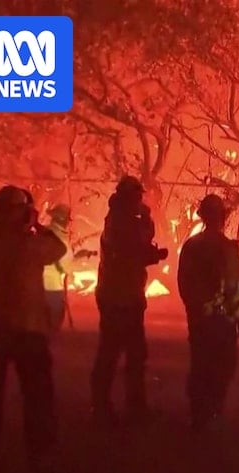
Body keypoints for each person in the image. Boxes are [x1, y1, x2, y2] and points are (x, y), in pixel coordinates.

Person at [0, 186, 67, 473]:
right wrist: (35, 225)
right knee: (38, 398)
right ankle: (40, 457)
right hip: (26, 330)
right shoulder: (27, 244)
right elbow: (57, 248)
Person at [90, 176, 168, 426]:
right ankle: (115, 406)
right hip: (120, 296)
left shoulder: (119, 218)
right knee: (119, 352)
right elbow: (135, 250)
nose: (140, 200)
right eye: (137, 196)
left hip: (122, 293)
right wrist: (152, 247)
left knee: (122, 352)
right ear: (129, 197)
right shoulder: (121, 221)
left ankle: (122, 404)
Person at [177, 194, 239, 431]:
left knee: (200, 363)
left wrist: (193, 308)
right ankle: (214, 411)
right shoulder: (226, 248)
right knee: (222, 364)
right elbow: (236, 285)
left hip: (199, 317)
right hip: (222, 318)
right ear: (223, 218)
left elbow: (183, 282)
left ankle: (199, 412)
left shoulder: (191, 246)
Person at [42, 203, 73, 330]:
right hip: (53, 289)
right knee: (52, 330)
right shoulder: (62, 241)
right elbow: (66, 268)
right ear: (65, 220)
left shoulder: (41, 233)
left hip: (36, 287)